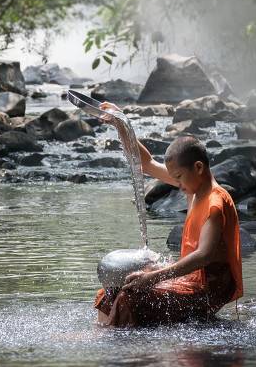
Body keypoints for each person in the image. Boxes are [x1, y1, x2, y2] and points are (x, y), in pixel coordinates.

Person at [94, 102, 243, 326]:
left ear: (199, 168)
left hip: (208, 290)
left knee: (129, 298)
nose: (177, 184)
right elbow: (145, 163)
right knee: (110, 291)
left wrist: (154, 276)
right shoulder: (193, 186)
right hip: (189, 279)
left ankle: (115, 345)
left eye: (179, 177)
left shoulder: (215, 202)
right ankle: (106, 336)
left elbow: (205, 255)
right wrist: (120, 122)